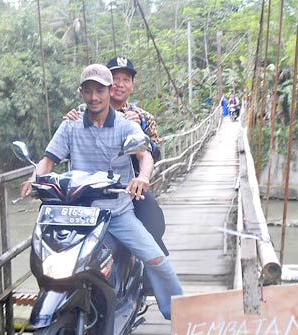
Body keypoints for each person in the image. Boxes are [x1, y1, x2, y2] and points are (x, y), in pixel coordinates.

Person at [21, 64, 182, 320]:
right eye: (88, 91)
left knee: (157, 260)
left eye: (100, 90)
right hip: (77, 214)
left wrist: (142, 177)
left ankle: (182, 316)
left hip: (116, 212)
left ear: (109, 92)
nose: (94, 97)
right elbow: (48, 160)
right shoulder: (70, 125)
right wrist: (34, 178)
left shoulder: (126, 125)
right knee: (49, 259)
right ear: (81, 92)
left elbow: (145, 156)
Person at [64, 56, 169, 257]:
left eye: (126, 79)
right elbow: (68, 144)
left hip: (127, 188)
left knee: (152, 219)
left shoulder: (143, 117)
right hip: (89, 188)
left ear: (132, 85)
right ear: (108, 84)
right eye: (115, 78)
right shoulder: (82, 112)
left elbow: (155, 152)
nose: (120, 84)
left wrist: (141, 130)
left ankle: (148, 274)